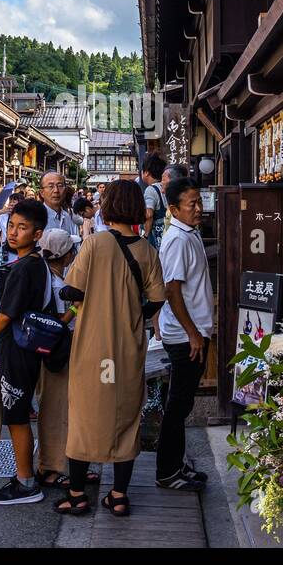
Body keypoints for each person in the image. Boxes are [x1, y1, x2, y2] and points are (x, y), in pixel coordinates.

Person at [52, 180, 165, 516]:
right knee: (127, 418)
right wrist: (134, 317)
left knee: (84, 417)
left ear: (109, 205)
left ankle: (76, 494)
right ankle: (118, 495)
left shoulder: (95, 243)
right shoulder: (147, 250)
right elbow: (158, 298)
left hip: (92, 348)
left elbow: (72, 289)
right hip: (128, 350)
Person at [0, 198, 53, 505]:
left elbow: (6, 314)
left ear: (37, 234)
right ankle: (25, 474)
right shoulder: (32, 263)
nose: (13, 233)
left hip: (18, 346)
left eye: (22, 228)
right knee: (18, 411)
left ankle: (26, 483)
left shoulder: (27, 267)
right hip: (23, 345)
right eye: (11, 226)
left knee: (17, 414)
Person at [155, 176, 212, 491]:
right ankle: (167, 473)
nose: (199, 209)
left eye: (199, 202)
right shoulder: (177, 239)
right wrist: (192, 333)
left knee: (182, 404)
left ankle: (176, 465)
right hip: (184, 336)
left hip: (192, 331)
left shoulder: (189, 233)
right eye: (192, 204)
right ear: (174, 209)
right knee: (177, 406)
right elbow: (171, 290)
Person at [32, 228, 95, 489]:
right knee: (56, 411)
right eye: (72, 249)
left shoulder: (49, 275)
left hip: (52, 352)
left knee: (61, 409)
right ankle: (51, 468)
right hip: (58, 352)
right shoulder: (57, 284)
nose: (74, 252)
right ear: (65, 254)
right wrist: (75, 306)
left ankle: (65, 466)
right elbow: (58, 322)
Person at [39, 172, 81, 250]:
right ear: (42, 193)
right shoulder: (36, 218)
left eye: (60, 186)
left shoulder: (68, 217)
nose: (56, 190)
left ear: (65, 190)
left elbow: (76, 245)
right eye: (50, 186)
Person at [140, 152, 167, 249]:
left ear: (146, 172)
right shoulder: (166, 187)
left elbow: (149, 214)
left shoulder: (150, 190)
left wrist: (146, 234)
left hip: (156, 238)